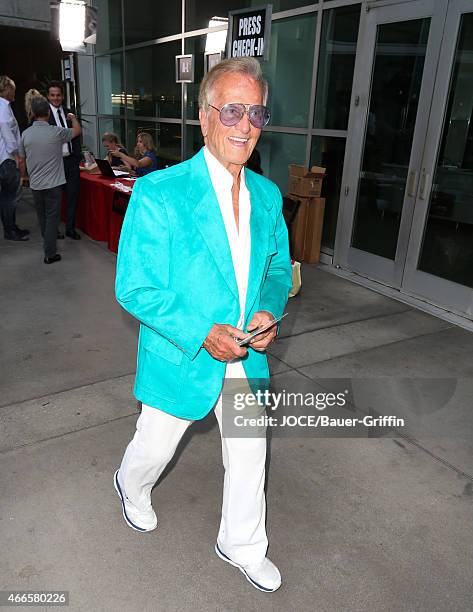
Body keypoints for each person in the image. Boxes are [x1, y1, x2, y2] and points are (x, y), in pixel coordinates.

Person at [114, 57, 291, 593]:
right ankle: (130, 485)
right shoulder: (159, 193)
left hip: (247, 353)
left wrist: (268, 309)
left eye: (255, 113)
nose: (244, 125)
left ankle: (241, 542)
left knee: (250, 448)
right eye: (232, 111)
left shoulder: (267, 195)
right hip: (183, 352)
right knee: (155, 448)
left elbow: (279, 268)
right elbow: (135, 287)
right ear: (204, 116)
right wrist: (201, 331)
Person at [22, 95, 81, 264]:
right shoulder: (56, 132)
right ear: (48, 113)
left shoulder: (25, 134)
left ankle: (47, 246)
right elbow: (77, 131)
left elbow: (21, 159)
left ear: (33, 113)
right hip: (54, 184)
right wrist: (73, 118)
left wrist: (24, 176)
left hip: (36, 184)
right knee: (52, 218)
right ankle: (50, 253)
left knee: (42, 217)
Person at [47, 80, 82, 240]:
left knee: (72, 196)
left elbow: (77, 135)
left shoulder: (69, 113)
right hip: (54, 163)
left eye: (58, 95)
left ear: (62, 96)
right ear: (48, 96)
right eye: (53, 95)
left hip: (71, 162)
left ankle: (70, 228)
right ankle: (55, 230)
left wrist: (77, 158)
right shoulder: (44, 116)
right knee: (54, 199)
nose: (56, 98)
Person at [0, 75, 29, 241]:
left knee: (6, 197)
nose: (15, 92)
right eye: (13, 89)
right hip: (7, 158)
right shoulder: (3, 108)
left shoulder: (4, 106)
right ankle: (10, 230)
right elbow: (7, 132)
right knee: (10, 196)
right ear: (7, 89)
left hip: (5, 157)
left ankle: (10, 227)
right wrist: (17, 156)